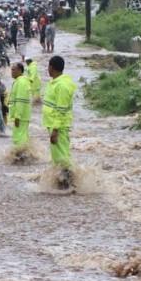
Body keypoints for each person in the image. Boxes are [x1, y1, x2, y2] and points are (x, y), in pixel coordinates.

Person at [42, 56, 77, 188]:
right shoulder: (56, 82)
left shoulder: (61, 86)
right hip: (54, 125)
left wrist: (55, 129)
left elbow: (61, 110)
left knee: (62, 157)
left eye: (48, 66)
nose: (47, 69)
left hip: (58, 126)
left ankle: (68, 184)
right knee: (59, 156)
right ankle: (64, 183)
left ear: (51, 67)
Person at [8, 63, 32, 149]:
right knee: (21, 136)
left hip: (21, 116)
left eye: (13, 70)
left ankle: (22, 155)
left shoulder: (21, 82)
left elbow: (20, 101)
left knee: (19, 138)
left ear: (19, 71)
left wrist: (18, 116)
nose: (12, 72)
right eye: (11, 70)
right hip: (22, 116)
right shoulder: (20, 81)